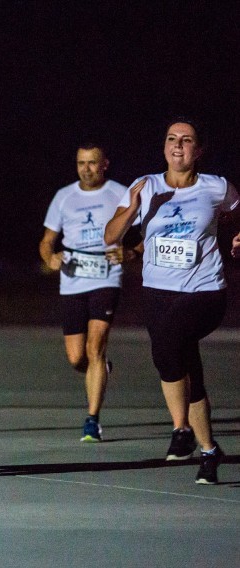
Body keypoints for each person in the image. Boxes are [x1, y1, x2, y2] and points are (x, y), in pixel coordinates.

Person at [104, 118, 240, 484]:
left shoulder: (217, 188)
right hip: (158, 293)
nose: (178, 145)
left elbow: (237, 213)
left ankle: (181, 431)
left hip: (205, 293)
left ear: (199, 150)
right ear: (164, 147)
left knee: (170, 346)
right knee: (182, 364)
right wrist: (132, 208)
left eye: (186, 140)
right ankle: (208, 450)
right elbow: (110, 236)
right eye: (171, 139)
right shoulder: (144, 186)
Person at [39, 143, 129, 442]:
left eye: (92, 163)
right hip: (73, 280)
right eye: (81, 163)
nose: (86, 169)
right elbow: (47, 241)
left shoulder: (120, 193)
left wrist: (129, 253)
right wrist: (50, 258)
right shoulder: (64, 196)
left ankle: (92, 419)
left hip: (106, 277)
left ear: (105, 164)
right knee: (78, 358)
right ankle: (100, 369)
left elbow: (145, 230)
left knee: (95, 347)